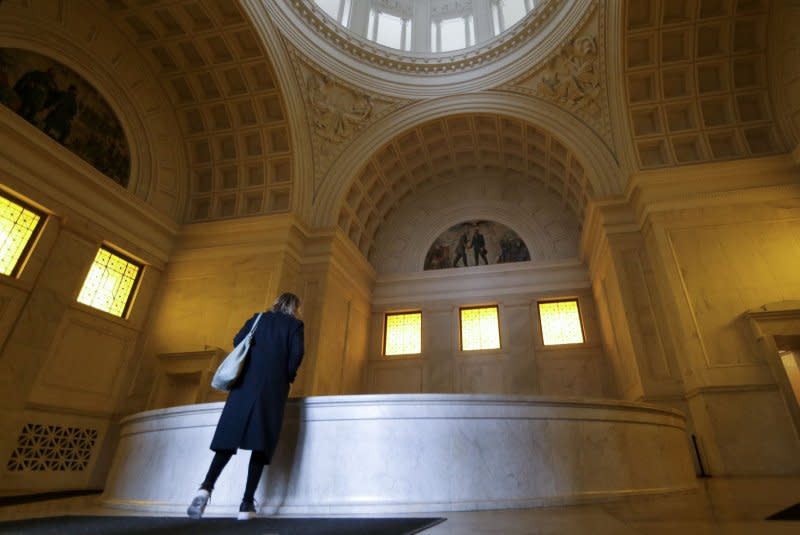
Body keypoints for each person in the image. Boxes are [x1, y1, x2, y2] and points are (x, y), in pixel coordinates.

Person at [187, 292, 305, 520]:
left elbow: (237, 340)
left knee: (228, 438)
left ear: (276, 303)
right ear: (295, 308)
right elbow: (296, 355)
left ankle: (206, 486)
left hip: (244, 386)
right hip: (273, 388)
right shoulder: (295, 325)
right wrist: (287, 375)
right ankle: (247, 504)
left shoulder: (257, 318)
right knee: (261, 443)